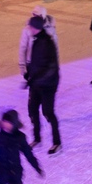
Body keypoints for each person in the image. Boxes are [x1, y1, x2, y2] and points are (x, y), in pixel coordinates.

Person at [24, 16, 62, 155]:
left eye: (30, 26)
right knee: (32, 109)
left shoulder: (47, 42)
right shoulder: (36, 40)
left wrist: (37, 78)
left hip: (48, 85)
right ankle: (37, 138)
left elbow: (51, 67)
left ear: (36, 27)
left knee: (48, 112)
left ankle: (57, 143)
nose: (29, 29)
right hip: (37, 83)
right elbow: (35, 62)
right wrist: (29, 75)